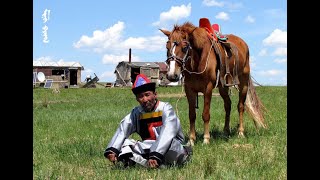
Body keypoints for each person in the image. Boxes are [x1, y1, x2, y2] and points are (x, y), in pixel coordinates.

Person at [104, 74, 192, 168]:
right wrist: (113, 150)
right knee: (124, 144)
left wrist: (156, 154)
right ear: (137, 99)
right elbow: (123, 130)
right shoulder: (136, 113)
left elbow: (168, 131)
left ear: (155, 94)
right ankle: (149, 164)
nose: (145, 100)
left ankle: (148, 162)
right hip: (150, 148)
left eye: (147, 95)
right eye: (140, 96)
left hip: (174, 149)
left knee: (169, 142)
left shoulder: (166, 108)